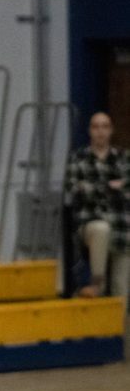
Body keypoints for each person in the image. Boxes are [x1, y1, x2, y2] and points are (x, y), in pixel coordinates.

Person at [64, 112, 130, 298]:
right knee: (101, 229)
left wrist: (93, 188)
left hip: (122, 226)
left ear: (111, 130)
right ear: (89, 131)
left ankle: (120, 325)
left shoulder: (123, 158)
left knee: (121, 286)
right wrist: (113, 187)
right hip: (90, 223)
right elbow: (74, 189)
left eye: (105, 126)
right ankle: (97, 283)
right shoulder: (79, 158)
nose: (100, 131)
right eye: (96, 126)